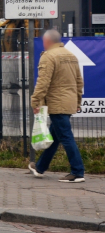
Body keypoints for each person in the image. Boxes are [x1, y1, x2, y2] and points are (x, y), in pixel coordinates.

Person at [30, 29, 85, 183]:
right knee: (54, 137)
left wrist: (35, 101)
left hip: (57, 103)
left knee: (66, 136)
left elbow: (43, 82)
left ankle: (78, 172)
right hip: (69, 102)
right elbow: (79, 81)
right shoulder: (71, 55)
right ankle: (40, 167)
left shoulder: (48, 56)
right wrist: (78, 101)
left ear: (47, 41)